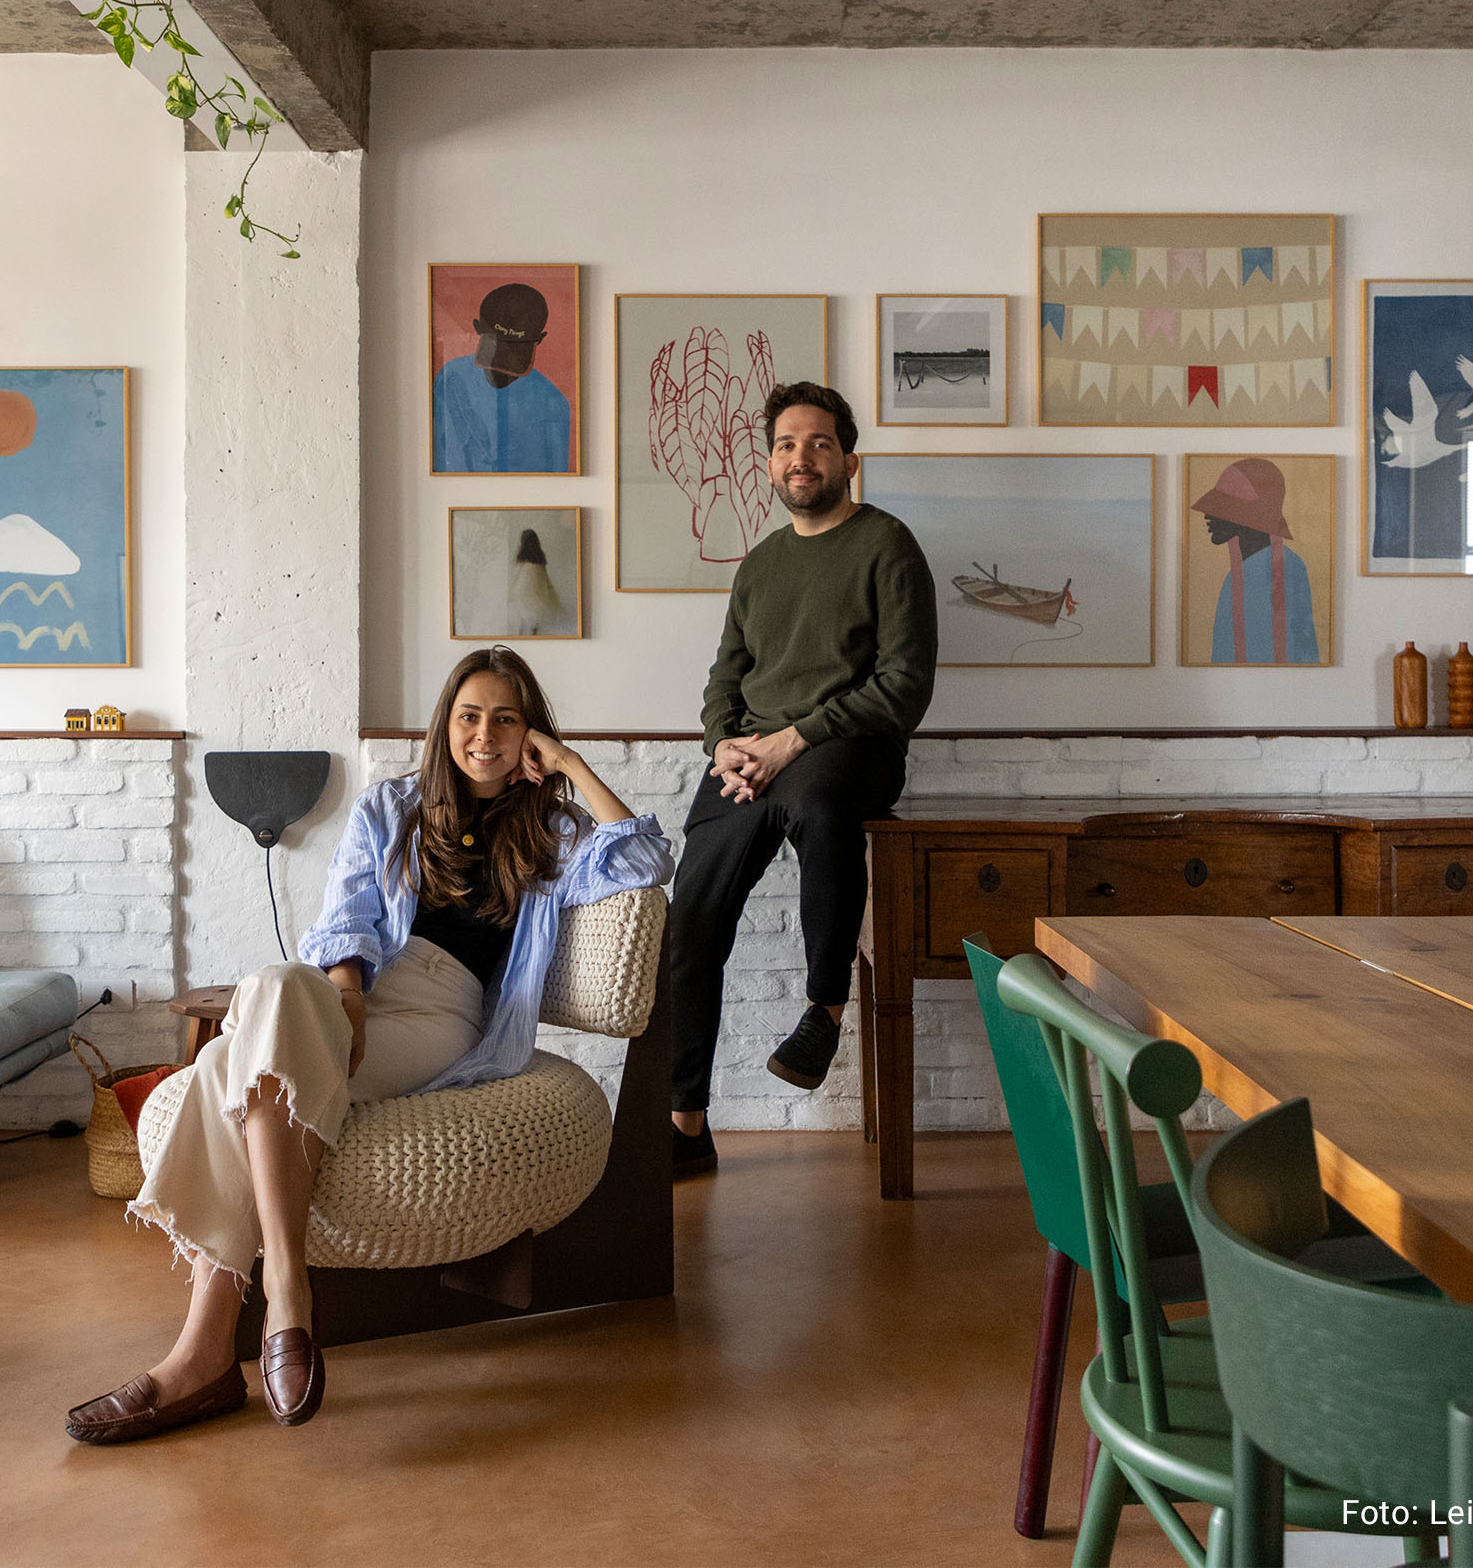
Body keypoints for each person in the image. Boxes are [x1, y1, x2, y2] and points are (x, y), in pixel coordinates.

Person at [66, 647, 670, 1444]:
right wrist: (347, 994)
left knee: (224, 1062)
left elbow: (644, 857)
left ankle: (204, 1353)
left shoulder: (550, 830)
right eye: (469, 715)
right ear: (444, 723)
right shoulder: (392, 805)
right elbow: (346, 913)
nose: (484, 734)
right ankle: (284, 1292)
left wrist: (563, 762)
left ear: (529, 731)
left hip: (441, 1014)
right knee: (280, 984)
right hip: (355, 995)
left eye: (506, 718)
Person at [661, 382, 938, 1176]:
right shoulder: (758, 566)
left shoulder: (889, 545)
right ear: (770, 465)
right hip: (753, 760)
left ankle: (824, 1009)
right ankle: (686, 1126)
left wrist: (793, 740)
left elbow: (904, 685)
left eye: (818, 442)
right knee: (693, 918)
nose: (801, 457)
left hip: (850, 747)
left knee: (820, 806)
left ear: (849, 458)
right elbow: (725, 680)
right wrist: (726, 746)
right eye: (786, 444)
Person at [433, 282, 573, 473]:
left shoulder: (553, 403)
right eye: (497, 348)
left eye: (514, 353)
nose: (501, 376)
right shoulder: (450, 379)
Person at [1195, 458, 1319, 665]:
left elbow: (1296, 652)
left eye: (1221, 505)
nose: (1207, 514)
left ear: (1248, 512)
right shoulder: (1246, 572)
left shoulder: (1282, 568)